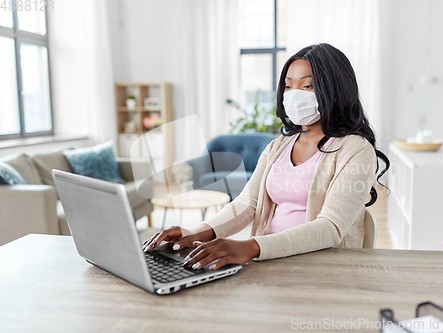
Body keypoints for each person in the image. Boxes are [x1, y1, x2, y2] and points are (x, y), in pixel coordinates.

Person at [143, 43, 390, 271]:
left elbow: (330, 228)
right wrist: (196, 234)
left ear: (335, 90)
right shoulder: (278, 147)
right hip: (269, 262)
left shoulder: (355, 150)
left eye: (307, 86)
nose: (294, 94)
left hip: (320, 270)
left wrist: (251, 246)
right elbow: (247, 204)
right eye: (288, 85)